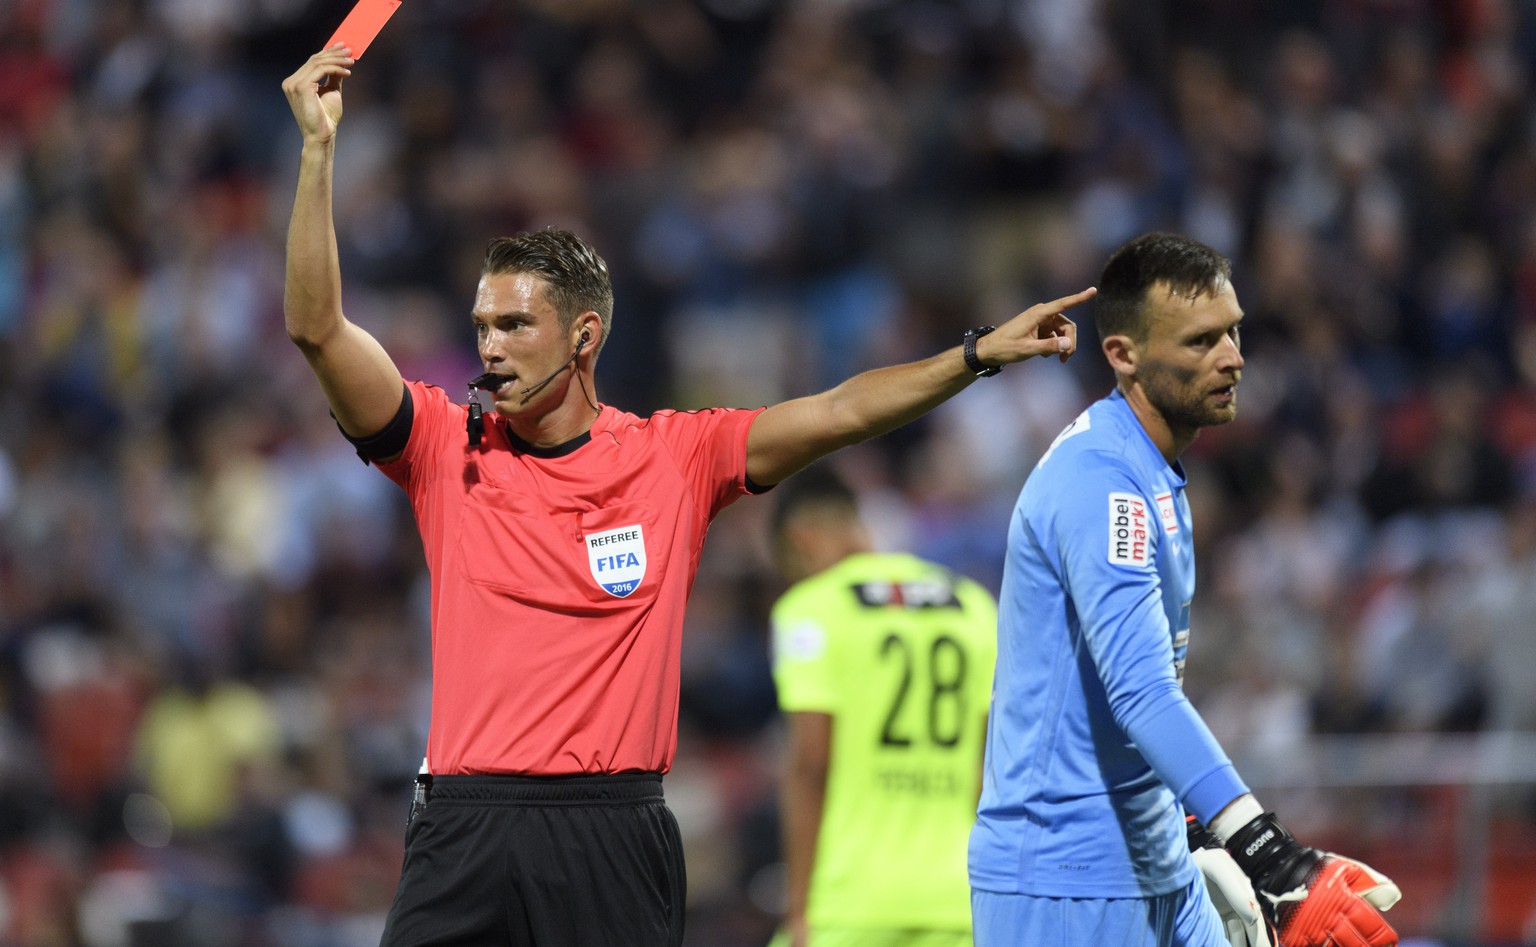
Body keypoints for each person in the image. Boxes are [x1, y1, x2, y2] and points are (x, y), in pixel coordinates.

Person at [280, 45, 1089, 947]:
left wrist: (974, 355)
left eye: (515, 324)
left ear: (583, 336)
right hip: (464, 826)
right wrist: (317, 155)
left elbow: (841, 409)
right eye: (482, 326)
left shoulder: (674, 456)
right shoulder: (442, 445)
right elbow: (316, 328)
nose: (492, 347)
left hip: (613, 830)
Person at [967, 232, 1403, 947]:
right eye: (1201, 341)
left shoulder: (1151, 471)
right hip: (1066, 880)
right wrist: (1269, 853)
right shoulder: (1102, 483)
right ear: (1122, 355)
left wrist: (1200, 830)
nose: (1233, 356)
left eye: (1233, 331)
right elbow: (1142, 692)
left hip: (1153, 859)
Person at [767, 465, 997, 947]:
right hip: (958, 901)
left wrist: (799, 910)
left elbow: (811, 764)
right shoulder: (973, 605)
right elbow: (988, 766)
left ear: (800, 539)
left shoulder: (811, 609)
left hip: (848, 903)